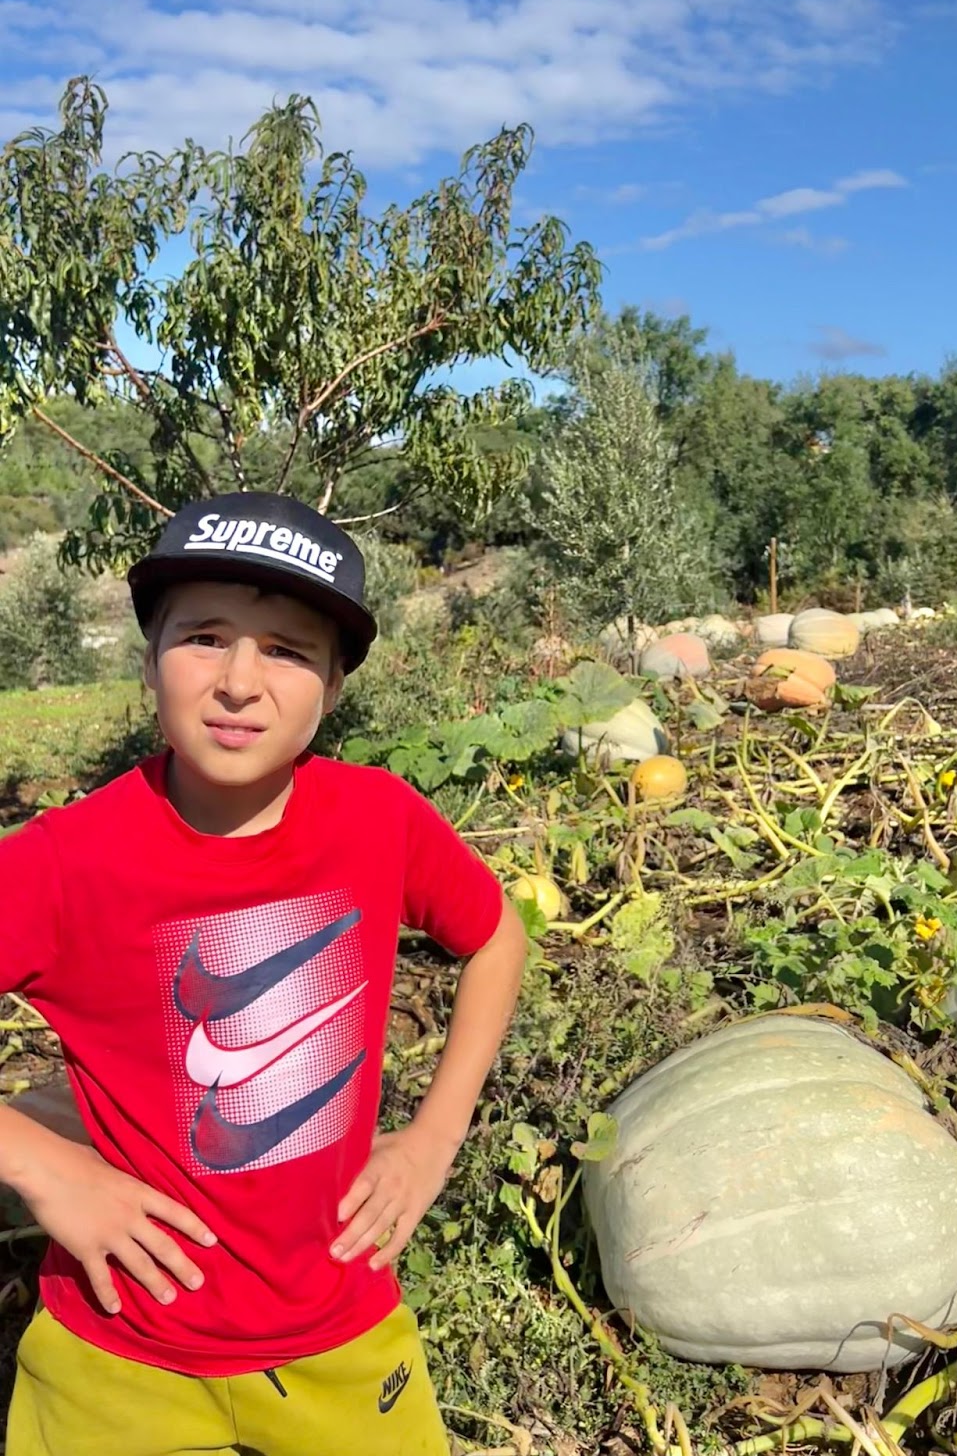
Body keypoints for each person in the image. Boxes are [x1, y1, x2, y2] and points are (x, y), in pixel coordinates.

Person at [0, 492, 528, 1456]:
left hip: (344, 1338)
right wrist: (47, 1170)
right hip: (117, 1357)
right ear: (150, 657)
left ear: (333, 684)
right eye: (205, 636)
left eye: (286, 649)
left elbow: (498, 939)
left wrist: (435, 1134)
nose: (240, 681)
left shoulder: (381, 820)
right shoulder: (66, 861)